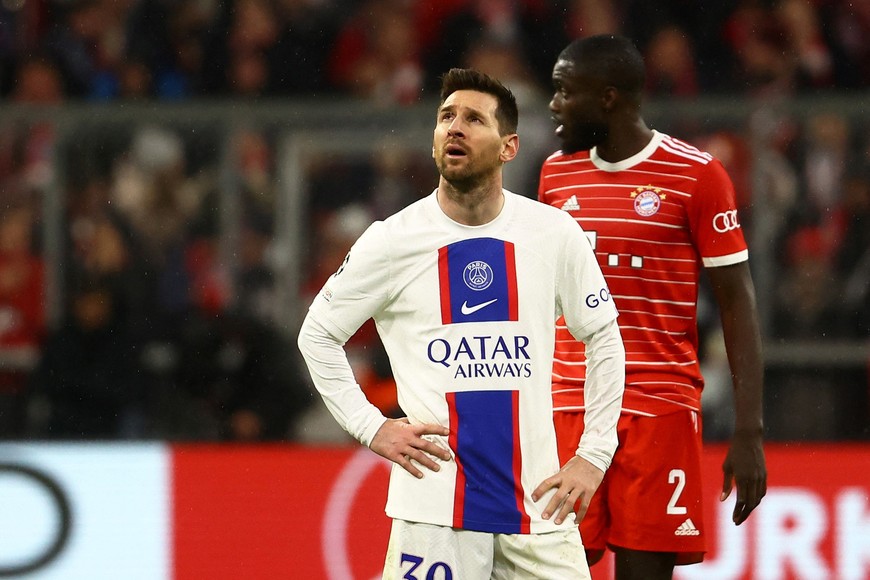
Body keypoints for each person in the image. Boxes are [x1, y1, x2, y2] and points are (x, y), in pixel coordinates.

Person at [298, 68, 625, 579]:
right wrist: (371, 427)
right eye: (445, 117)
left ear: (508, 147)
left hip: (538, 509)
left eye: (474, 119)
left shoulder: (553, 233)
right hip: (435, 514)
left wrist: (594, 455)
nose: (455, 127)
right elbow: (317, 333)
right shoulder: (392, 240)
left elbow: (604, 336)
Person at [538, 34, 767, 578]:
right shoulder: (554, 174)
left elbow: (738, 305)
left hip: (657, 409)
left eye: (564, 92)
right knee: (550, 569)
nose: (553, 105)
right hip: (570, 403)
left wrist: (749, 431)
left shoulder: (698, 176)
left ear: (608, 98)